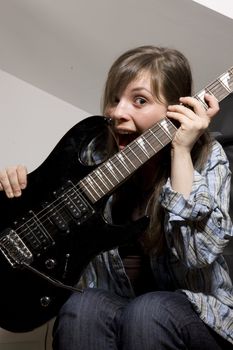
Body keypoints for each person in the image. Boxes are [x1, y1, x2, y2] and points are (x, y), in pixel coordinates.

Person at [0, 45, 233, 349]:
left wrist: (181, 151)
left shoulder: (207, 156)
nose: (116, 112)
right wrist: (16, 193)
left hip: (194, 320)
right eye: (115, 99)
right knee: (81, 309)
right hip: (116, 310)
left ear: (177, 109)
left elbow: (198, 255)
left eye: (139, 100)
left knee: (149, 312)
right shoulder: (93, 155)